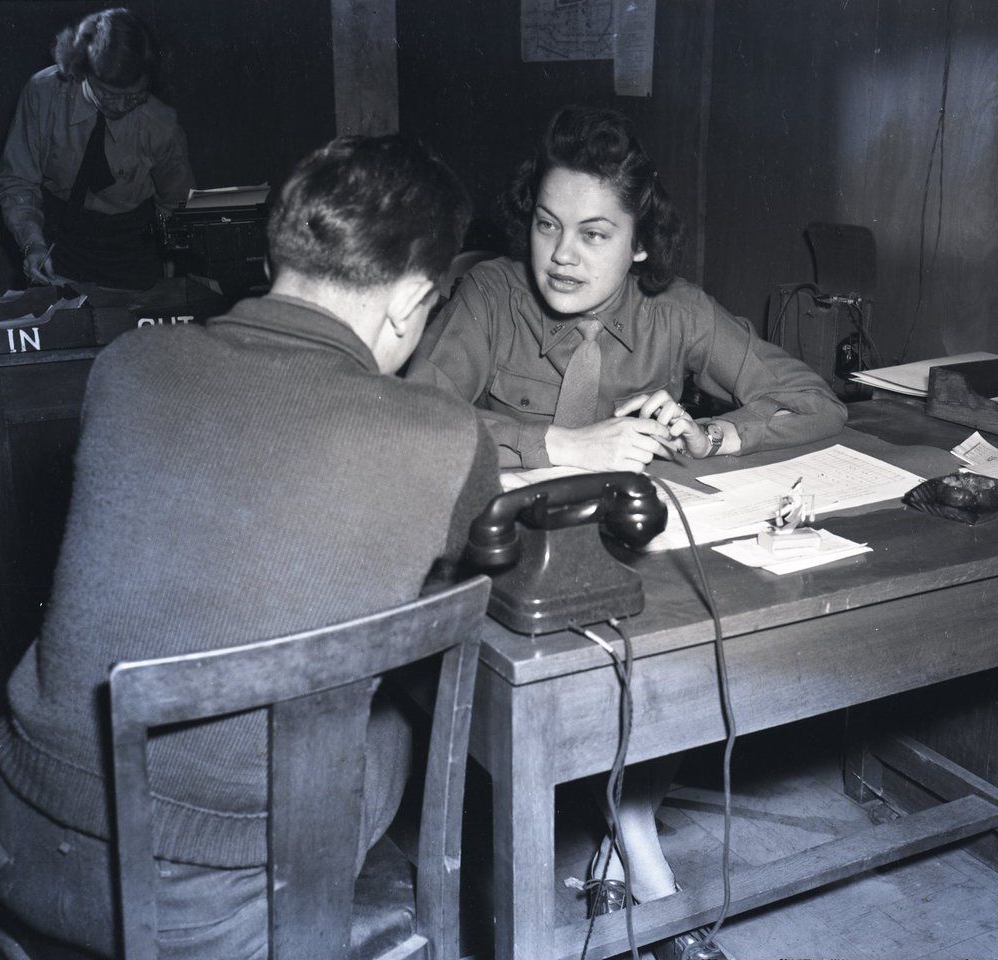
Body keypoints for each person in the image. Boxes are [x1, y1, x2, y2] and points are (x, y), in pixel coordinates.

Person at [0, 134, 500, 958]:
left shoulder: (127, 363)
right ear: (412, 296)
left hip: (1, 832)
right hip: (203, 914)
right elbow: (477, 583)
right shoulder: (448, 435)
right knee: (391, 723)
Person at [407, 104, 847, 959]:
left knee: (701, 630)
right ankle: (646, 867)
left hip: (631, 566)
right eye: (546, 225)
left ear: (640, 244)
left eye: (595, 233)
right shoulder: (492, 295)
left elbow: (815, 400)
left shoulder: (676, 311)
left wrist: (716, 433)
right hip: (507, 576)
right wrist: (556, 443)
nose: (562, 254)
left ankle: (625, 845)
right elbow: (417, 420)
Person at [0, 7, 196, 289]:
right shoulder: (42, 95)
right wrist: (32, 245)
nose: (121, 106)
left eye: (134, 97)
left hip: (132, 249)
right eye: (109, 95)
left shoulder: (160, 123)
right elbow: (17, 181)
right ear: (82, 71)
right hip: (57, 241)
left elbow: (176, 205)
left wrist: (174, 273)